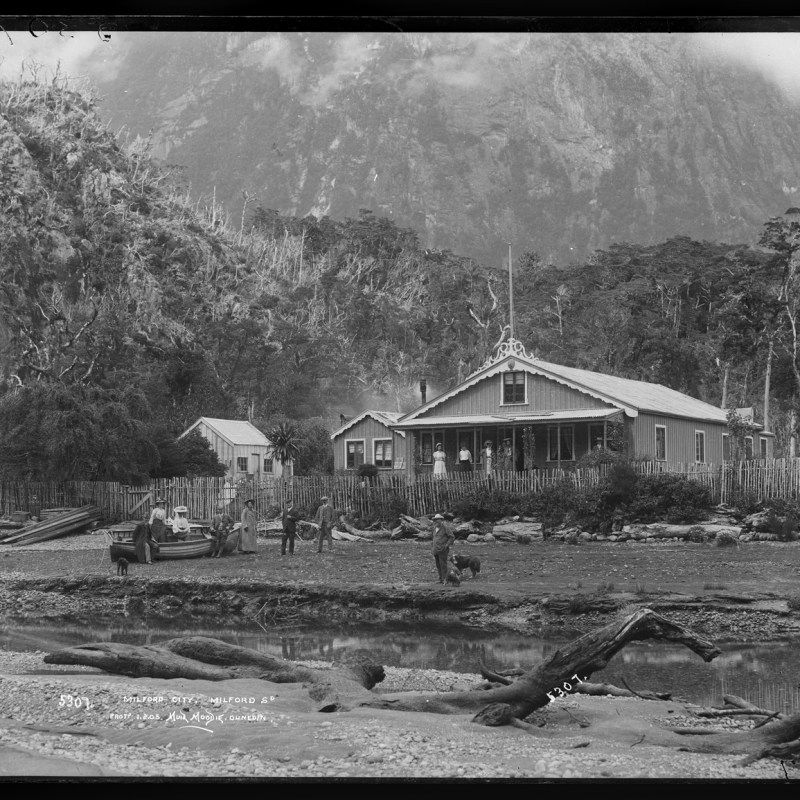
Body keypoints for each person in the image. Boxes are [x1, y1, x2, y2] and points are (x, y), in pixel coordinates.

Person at [431, 513, 455, 584]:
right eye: (435, 520)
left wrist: (447, 545)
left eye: (438, 520)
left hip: (443, 550)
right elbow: (433, 538)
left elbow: (452, 537)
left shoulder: (445, 528)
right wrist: (432, 547)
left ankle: (445, 579)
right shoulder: (434, 528)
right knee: (438, 565)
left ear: (441, 520)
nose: (437, 521)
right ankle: (440, 579)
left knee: (443, 565)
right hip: (435, 550)